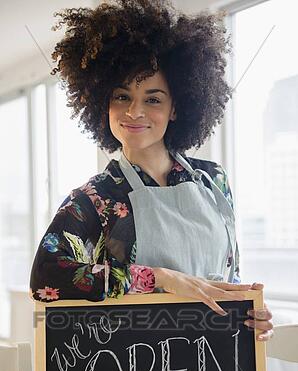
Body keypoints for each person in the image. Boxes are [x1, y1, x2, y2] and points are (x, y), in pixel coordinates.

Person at [30, 0, 273, 341]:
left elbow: (226, 280)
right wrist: (157, 277)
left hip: (218, 363)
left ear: (177, 108)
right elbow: (45, 277)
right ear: (103, 103)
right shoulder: (95, 197)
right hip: (136, 365)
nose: (135, 112)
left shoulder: (214, 180)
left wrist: (249, 318)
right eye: (121, 96)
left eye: (153, 99)